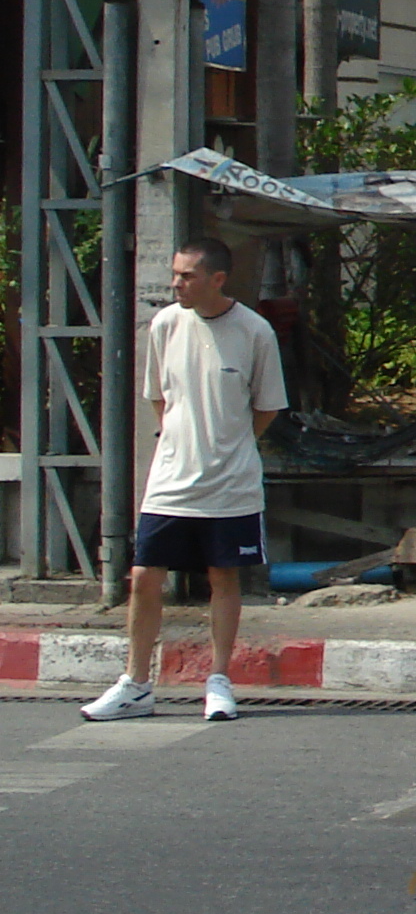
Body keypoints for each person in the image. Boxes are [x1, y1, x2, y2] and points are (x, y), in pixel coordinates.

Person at [85, 239, 288, 723]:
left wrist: (227, 444)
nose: (177, 283)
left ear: (218, 279)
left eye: (187, 276)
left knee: (223, 577)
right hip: (170, 480)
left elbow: (267, 407)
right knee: (142, 578)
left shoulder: (254, 330)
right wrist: (182, 442)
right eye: (175, 274)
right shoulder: (164, 324)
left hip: (232, 484)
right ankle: (136, 683)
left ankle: (218, 681)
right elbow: (159, 398)